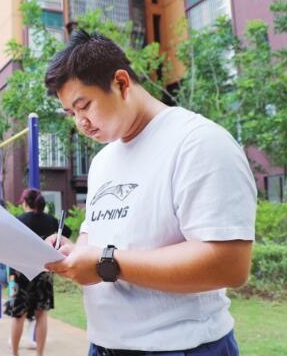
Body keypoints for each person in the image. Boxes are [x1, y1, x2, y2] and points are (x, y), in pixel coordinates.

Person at [43, 30, 256, 356]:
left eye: (83, 106)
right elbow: (95, 243)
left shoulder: (198, 142)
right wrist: (71, 255)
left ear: (121, 83)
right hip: (103, 346)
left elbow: (229, 264)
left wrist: (105, 263)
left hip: (181, 348)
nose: (80, 123)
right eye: (72, 114)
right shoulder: (102, 162)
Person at [7, 188, 71, 356]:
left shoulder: (18, 220)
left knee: (18, 314)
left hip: (22, 272)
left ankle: (15, 354)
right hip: (45, 271)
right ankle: (40, 354)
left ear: (25, 202)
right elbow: (67, 233)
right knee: (41, 314)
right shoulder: (51, 220)